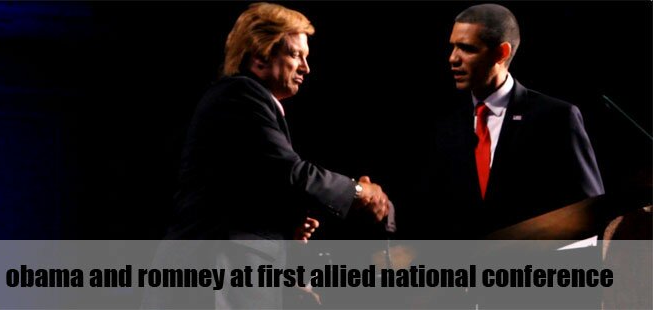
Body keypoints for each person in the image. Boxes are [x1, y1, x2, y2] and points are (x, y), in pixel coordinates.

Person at [162, 3, 390, 308]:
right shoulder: (239, 96)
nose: (306, 68)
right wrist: (360, 192)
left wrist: (287, 224)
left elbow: (248, 187)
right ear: (259, 57)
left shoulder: (247, 102)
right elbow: (291, 174)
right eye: (296, 55)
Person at [428, 3, 605, 238]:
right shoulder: (446, 126)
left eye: (467, 48)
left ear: (502, 53)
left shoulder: (556, 118)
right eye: (452, 47)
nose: (453, 58)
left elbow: (590, 213)